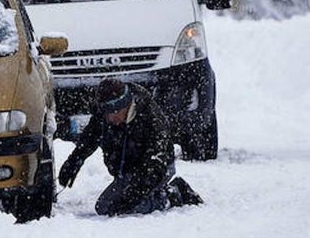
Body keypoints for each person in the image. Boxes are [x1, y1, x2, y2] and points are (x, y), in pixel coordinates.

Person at [57, 77, 203, 216]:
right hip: (127, 171)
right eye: (106, 113)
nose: (110, 118)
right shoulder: (105, 115)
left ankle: (173, 195)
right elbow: (90, 138)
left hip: (157, 169)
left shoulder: (151, 118)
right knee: (109, 206)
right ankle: (153, 193)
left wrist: (136, 192)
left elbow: (157, 161)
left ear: (125, 105)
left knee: (114, 206)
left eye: (114, 113)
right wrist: (74, 162)